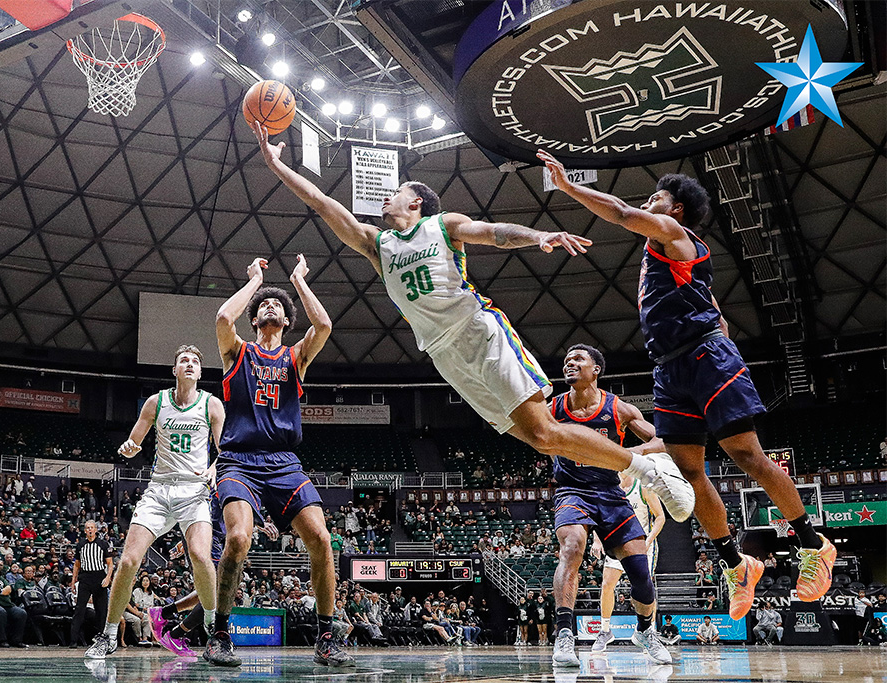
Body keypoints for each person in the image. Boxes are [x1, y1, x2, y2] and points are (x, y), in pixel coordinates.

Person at [250, 121, 695, 524]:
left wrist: (539, 236)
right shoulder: (376, 244)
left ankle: (645, 469)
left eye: (396, 191)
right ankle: (641, 466)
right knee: (542, 440)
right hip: (444, 355)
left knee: (544, 429)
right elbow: (320, 201)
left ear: (417, 201)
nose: (385, 197)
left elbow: (495, 232)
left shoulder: (443, 224)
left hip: (479, 333)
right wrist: (273, 165)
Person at [538, 151, 837, 619]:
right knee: (690, 472)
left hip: (704, 357)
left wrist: (569, 186)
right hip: (670, 366)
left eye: (655, 198)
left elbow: (618, 212)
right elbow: (713, 303)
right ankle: (737, 565)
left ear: (675, 208)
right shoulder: (668, 255)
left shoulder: (677, 234)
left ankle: (813, 544)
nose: (647, 203)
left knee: (745, 455)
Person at [182, 254, 351, 668]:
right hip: (239, 460)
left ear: (286, 320)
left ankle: (326, 636)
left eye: (277, 305)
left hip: (284, 462)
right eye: (263, 306)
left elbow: (325, 326)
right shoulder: (237, 352)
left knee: (322, 539)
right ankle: (219, 633)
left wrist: (297, 280)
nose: (270, 307)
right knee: (239, 539)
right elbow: (224, 317)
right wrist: (256, 282)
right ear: (255, 319)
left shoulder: (296, 358)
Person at [85, 344, 224, 660]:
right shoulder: (155, 402)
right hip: (159, 491)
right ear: (174, 370)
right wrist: (130, 447)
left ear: (200, 372)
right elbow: (135, 439)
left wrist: (214, 469)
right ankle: (107, 636)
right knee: (129, 561)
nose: (188, 364)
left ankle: (215, 632)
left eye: (193, 361)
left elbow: (224, 450)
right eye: (183, 361)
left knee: (201, 557)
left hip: (194, 492)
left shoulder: (212, 405)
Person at [547, 345, 671, 667]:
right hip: (571, 490)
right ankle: (564, 635)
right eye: (567, 360)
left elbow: (661, 440)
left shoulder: (620, 409)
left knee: (641, 575)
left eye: (578, 359)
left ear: (596, 369)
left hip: (611, 493)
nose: (570, 363)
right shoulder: (554, 408)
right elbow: (529, 430)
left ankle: (645, 631)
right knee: (572, 547)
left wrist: (627, 457)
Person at [592, 463, 665, 653]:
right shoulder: (611, 489)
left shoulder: (643, 487)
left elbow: (660, 517)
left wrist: (648, 540)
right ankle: (605, 631)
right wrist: (597, 540)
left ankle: (649, 632)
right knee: (607, 584)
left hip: (642, 544)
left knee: (645, 587)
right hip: (619, 542)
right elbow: (599, 516)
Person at [72, 521, 114, 649]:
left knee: (101, 609)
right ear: (85, 531)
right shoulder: (80, 545)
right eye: (87, 528)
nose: (90, 530)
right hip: (85, 578)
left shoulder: (103, 544)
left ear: (96, 530)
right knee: (79, 608)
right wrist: (73, 581)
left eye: (92, 528)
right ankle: (73, 640)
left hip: (99, 577)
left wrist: (108, 577)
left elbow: (110, 563)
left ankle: (101, 638)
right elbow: (77, 564)